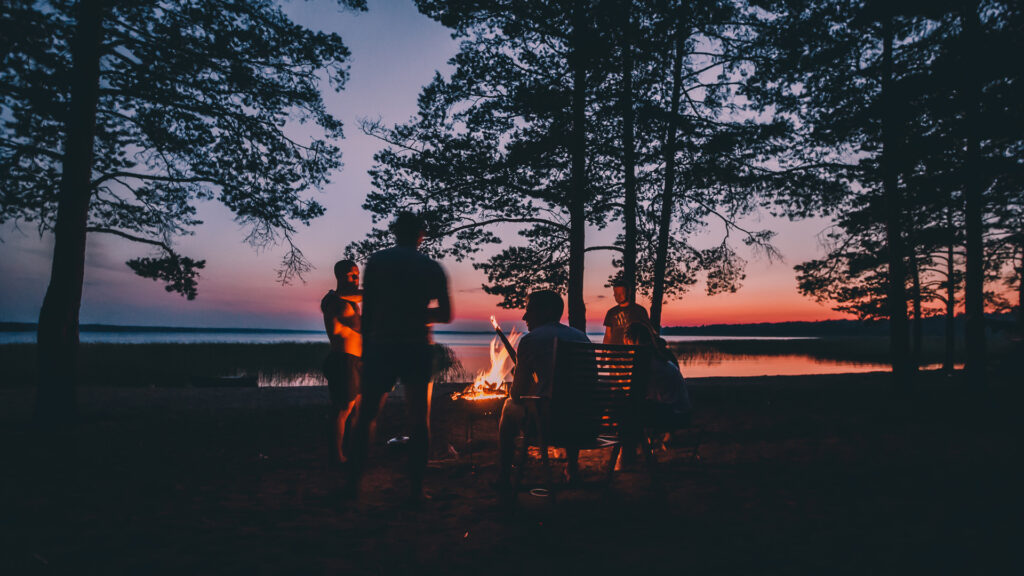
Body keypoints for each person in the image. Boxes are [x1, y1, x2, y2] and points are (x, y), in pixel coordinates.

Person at [346, 212, 452, 504]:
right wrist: (416, 315)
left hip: (381, 345)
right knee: (420, 420)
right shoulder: (430, 267)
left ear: (395, 232)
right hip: (416, 346)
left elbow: (368, 315)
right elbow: (444, 314)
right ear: (421, 234)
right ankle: (416, 492)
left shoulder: (377, 262)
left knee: (366, 415)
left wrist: (367, 349)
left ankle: (352, 487)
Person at [497, 290, 591, 488]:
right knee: (572, 402)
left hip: (551, 426)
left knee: (508, 406)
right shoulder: (581, 337)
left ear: (546, 311)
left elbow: (517, 395)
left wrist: (526, 382)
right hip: (585, 426)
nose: (524, 317)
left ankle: (504, 477)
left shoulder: (531, 340)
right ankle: (572, 468)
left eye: (529, 310)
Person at [321, 260, 363, 467]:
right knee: (342, 409)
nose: (355, 279)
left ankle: (353, 451)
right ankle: (336, 456)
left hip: (357, 360)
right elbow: (363, 327)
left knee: (358, 410)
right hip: (344, 360)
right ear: (338, 276)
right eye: (350, 275)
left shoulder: (350, 301)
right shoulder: (336, 302)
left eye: (357, 274)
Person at [623, 322, 692, 430]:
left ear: (631, 342)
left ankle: (629, 444)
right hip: (681, 412)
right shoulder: (659, 357)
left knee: (629, 410)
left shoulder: (646, 363)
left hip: (673, 415)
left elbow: (635, 393)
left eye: (627, 344)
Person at [603, 280, 653, 345]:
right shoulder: (611, 312)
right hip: (614, 351)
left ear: (628, 292)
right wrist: (604, 351)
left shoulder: (639, 310)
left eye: (621, 293)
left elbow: (648, 332)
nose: (618, 296)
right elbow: (608, 335)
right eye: (616, 293)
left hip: (632, 352)